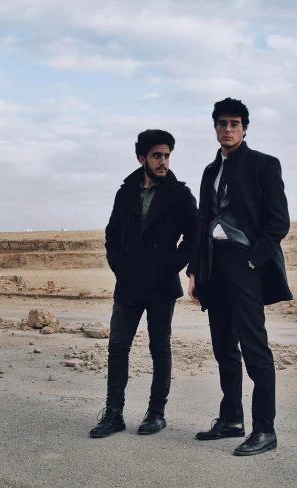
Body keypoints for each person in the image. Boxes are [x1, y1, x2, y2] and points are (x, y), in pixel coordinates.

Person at [188, 98, 292, 456]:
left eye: (234, 123)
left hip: (245, 266)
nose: (227, 129)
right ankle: (231, 418)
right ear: (215, 128)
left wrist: (252, 262)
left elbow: (279, 221)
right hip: (213, 268)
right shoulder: (208, 171)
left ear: (245, 128)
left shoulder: (264, 165)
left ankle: (265, 429)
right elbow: (202, 223)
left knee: (254, 347)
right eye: (221, 123)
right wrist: (195, 271)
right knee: (223, 348)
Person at [91, 129, 199, 438]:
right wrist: (118, 267)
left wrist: (171, 266)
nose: (163, 161)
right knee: (117, 347)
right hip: (128, 283)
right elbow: (112, 234)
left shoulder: (179, 194)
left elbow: (194, 237)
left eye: (166, 156)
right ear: (142, 158)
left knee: (159, 347)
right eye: (156, 155)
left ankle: (156, 413)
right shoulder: (125, 191)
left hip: (161, 284)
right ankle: (113, 414)